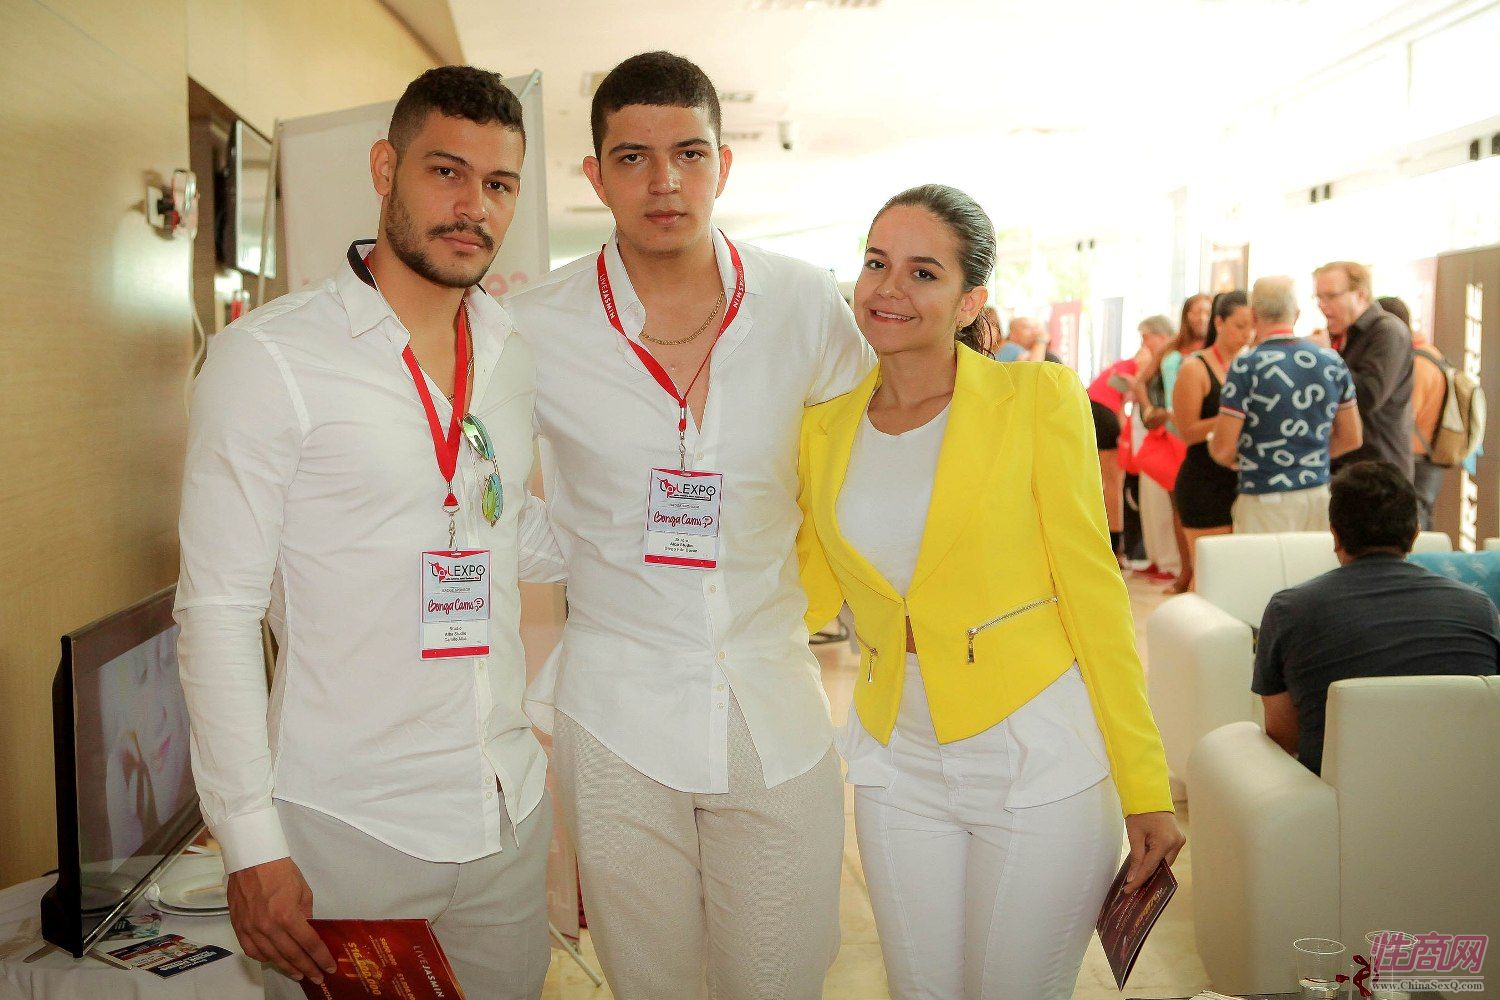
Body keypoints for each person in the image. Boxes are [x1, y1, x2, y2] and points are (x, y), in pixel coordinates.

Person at [176, 67, 556, 999]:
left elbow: (501, 525)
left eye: (499, 184)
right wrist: (249, 841)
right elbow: (217, 612)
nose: (474, 207)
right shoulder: (268, 360)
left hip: (504, 814)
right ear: (386, 168)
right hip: (347, 833)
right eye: (446, 172)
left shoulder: (506, 352)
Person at [506, 52, 873, 999]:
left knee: (783, 975)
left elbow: (864, 470)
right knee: (652, 983)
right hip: (617, 712)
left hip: (773, 702)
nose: (664, 181)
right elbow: (482, 494)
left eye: (689, 153)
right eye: (632, 157)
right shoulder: (533, 326)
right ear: (595, 176)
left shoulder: (805, 304)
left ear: (723, 164)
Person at [798, 184, 1182, 1000]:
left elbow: (1095, 598)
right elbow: (802, 593)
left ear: (971, 300)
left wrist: (1145, 786)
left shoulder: (1035, 400)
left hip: (1035, 754)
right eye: (876, 263)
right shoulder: (823, 428)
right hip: (897, 758)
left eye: (923, 272)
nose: (889, 288)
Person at [1253, 461, 1498, 774]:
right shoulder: (1479, 609)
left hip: (1335, 796)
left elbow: (1283, 738)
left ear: (1335, 535)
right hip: (1463, 792)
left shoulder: (1288, 611)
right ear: (1415, 532)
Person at [1210, 276, 1363, 533]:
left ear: (1254, 315)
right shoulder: (1331, 362)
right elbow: (1351, 438)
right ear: (1297, 313)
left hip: (1263, 497)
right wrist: (1306, 456)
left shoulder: (1246, 366)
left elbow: (1223, 449)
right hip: (1318, 495)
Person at [1171, 291, 1253, 589]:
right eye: (1240, 326)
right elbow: (1186, 430)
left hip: (1241, 481)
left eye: (1252, 327)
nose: (1246, 334)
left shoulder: (1250, 365)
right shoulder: (1195, 367)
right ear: (1219, 322)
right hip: (1204, 482)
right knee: (1208, 579)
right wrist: (1234, 416)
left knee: (1238, 578)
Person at [1315, 261, 1414, 479]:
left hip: (1379, 474)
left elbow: (1369, 395)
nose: (1322, 305)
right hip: (1344, 468)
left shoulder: (1388, 332)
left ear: (1360, 295)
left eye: (1331, 296)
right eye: (1318, 297)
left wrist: (1327, 358)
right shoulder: (1340, 335)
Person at [1381, 295, 1448, 528]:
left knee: (1414, 527)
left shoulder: (1417, 364)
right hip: (1423, 458)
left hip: (1418, 460)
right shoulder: (1429, 353)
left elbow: (1403, 417)